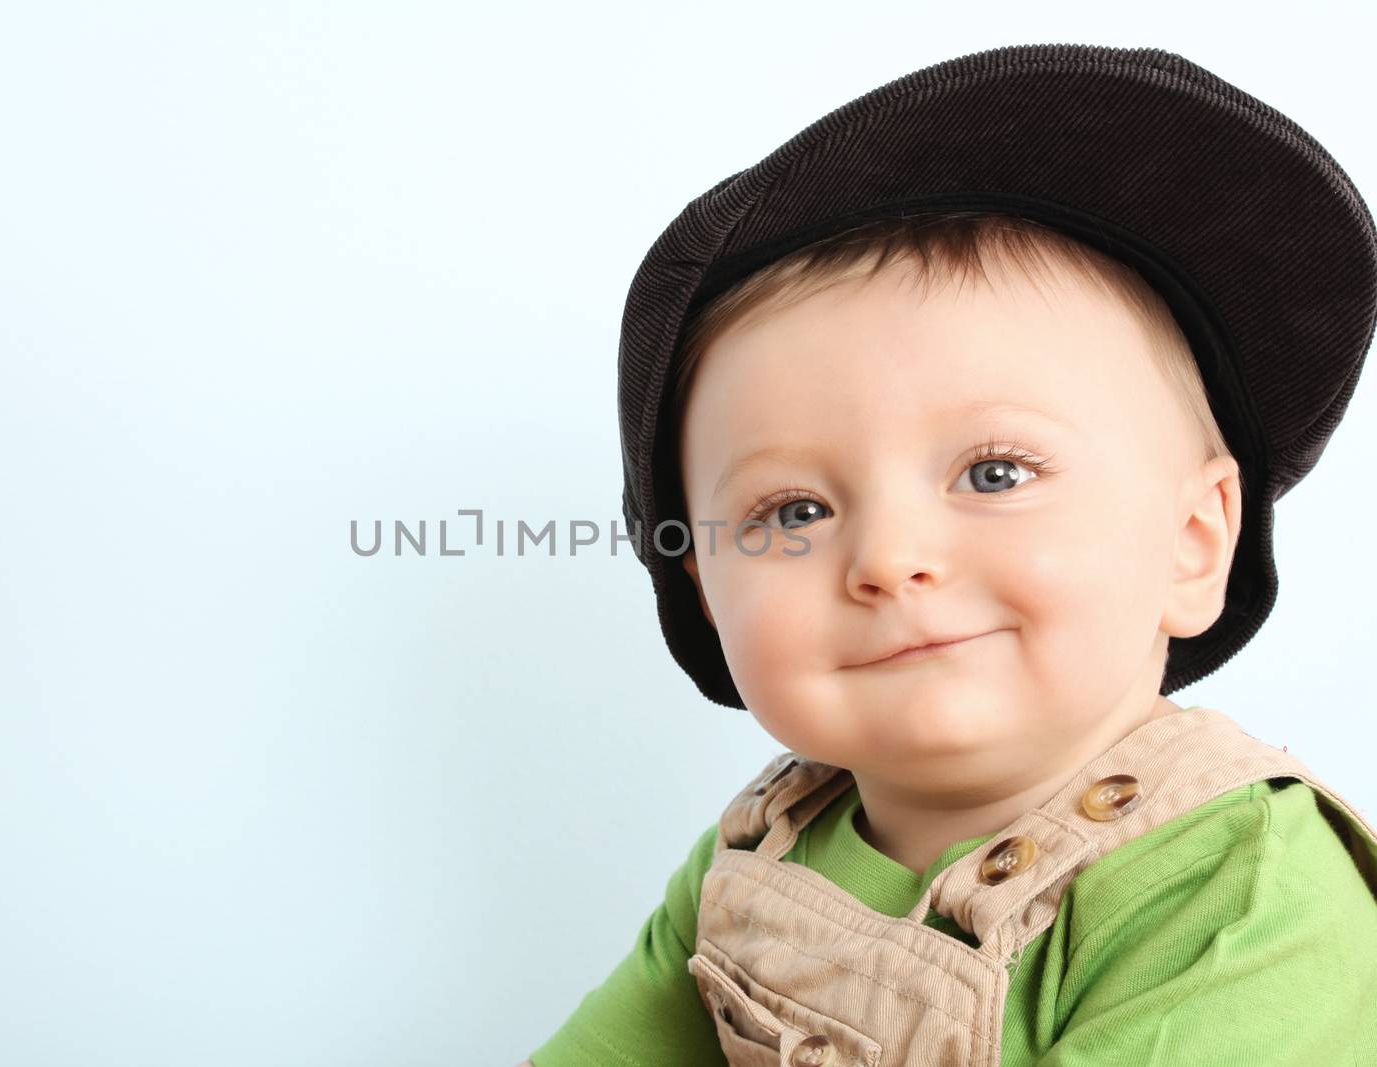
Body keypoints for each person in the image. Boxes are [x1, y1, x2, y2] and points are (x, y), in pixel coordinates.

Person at [521, 43, 1377, 1066]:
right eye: (792, 508)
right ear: (703, 589)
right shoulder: (757, 852)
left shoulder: (1233, 885)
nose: (887, 556)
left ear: (1192, 544)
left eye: (995, 473)